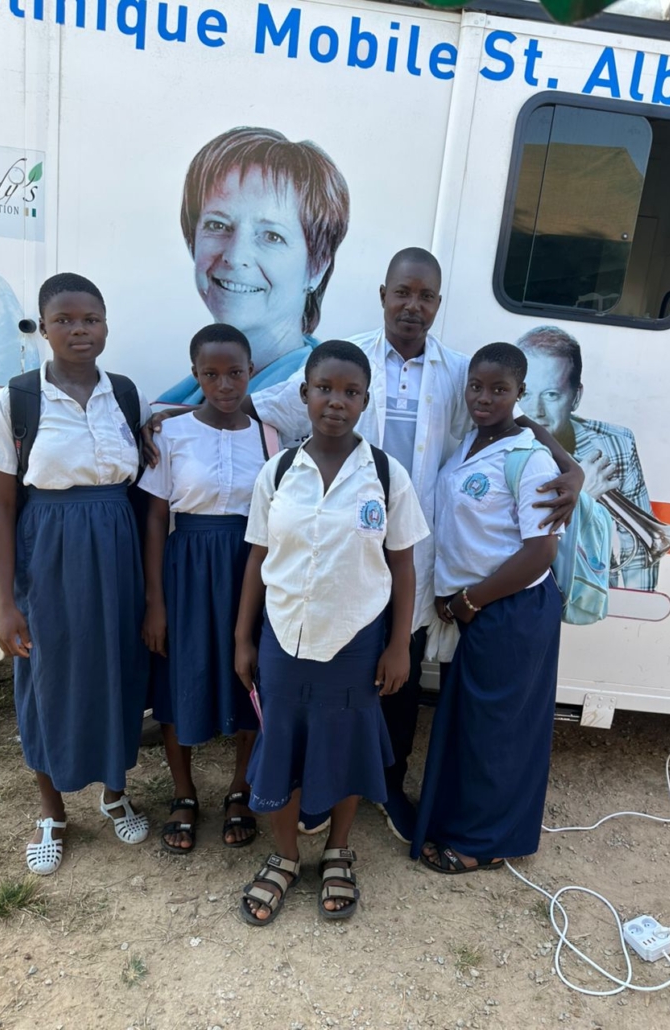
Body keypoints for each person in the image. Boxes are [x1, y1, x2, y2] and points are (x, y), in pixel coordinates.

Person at [244, 248, 583, 841]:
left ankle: (388, 786)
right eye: (402, 292)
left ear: (437, 304)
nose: (412, 306)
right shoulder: (348, 361)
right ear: (383, 294)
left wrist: (567, 465)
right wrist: (172, 416)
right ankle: (321, 788)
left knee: (397, 679)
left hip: (412, 552)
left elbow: (514, 419)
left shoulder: (459, 372)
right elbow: (259, 405)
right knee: (334, 676)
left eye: (425, 296)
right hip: (343, 549)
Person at [234, 340, 428, 925]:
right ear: (305, 394)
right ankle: (286, 855)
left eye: (350, 392)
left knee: (344, 747)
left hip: (355, 642)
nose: (336, 401)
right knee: (282, 746)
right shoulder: (278, 471)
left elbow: (403, 566)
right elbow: (257, 558)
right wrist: (243, 638)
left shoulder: (387, 476)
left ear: (366, 401)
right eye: (325, 388)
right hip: (283, 638)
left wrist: (399, 645)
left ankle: (338, 850)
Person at [0, 272, 150, 875]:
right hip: (48, 551)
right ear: (43, 328)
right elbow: (0, 504)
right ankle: (52, 812)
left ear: (106, 325)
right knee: (45, 676)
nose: (79, 330)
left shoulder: (125, 395)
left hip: (117, 549)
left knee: (117, 669)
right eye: (64, 320)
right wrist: (5, 603)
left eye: (91, 319)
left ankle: (115, 793)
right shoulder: (17, 401)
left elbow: (145, 465)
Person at [411, 342, 563, 872]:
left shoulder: (528, 457)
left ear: (519, 393)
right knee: (473, 726)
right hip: (480, 609)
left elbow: (540, 551)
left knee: (498, 731)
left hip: (512, 608)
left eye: (499, 389)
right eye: (476, 386)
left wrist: (470, 600)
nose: (484, 397)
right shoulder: (469, 445)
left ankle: (483, 846)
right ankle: (465, 824)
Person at [139, 324, 276, 854]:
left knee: (249, 676)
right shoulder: (171, 434)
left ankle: (240, 789)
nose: (224, 384)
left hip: (249, 566)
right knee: (182, 675)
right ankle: (184, 792)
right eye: (211, 374)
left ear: (250, 372)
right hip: (188, 569)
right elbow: (156, 518)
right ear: (195, 374)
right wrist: (155, 600)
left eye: (235, 372)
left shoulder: (268, 437)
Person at [157, 126, 350, 405]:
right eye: (218, 225)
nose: (235, 256)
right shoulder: (179, 400)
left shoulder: (314, 413)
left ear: (317, 266)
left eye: (272, 236)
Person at [515, 325, 659, 590]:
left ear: (576, 397)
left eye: (551, 395)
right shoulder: (496, 447)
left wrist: (638, 604)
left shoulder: (616, 444)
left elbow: (639, 549)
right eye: (525, 394)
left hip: (591, 589)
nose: (536, 410)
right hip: (523, 587)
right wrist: (582, 499)